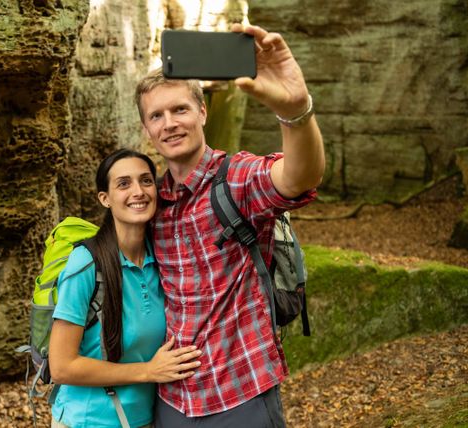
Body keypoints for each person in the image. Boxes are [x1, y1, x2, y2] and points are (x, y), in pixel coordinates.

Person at [135, 24, 325, 427]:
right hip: (173, 398)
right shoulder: (151, 203)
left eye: (180, 109)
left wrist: (295, 111)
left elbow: (298, 177)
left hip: (242, 388)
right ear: (147, 129)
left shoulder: (236, 179)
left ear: (202, 111)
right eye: (157, 115)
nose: (169, 123)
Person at [48, 148, 203, 428]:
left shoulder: (164, 260)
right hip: (87, 421)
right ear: (105, 199)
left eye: (146, 181)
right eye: (123, 183)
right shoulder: (85, 263)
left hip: (145, 418)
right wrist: (148, 371)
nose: (138, 191)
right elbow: (61, 366)